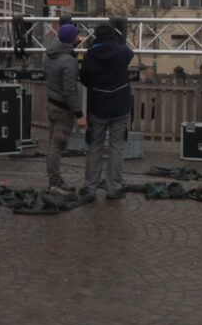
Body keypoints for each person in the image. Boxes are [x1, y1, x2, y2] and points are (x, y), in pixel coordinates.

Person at [79, 23, 134, 200]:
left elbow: (84, 79)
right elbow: (129, 52)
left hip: (98, 107)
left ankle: (90, 187)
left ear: (96, 36)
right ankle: (114, 188)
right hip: (120, 107)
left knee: (94, 147)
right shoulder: (122, 52)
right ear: (113, 35)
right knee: (117, 148)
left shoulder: (91, 56)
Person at [43, 23, 85, 194]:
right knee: (57, 146)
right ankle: (54, 184)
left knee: (53, 144)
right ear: (71, 39)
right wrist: (79, 114)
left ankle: (56, 181)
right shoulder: (68, 60)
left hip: (52, 104)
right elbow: (69, 90)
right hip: (62, 109)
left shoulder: (50, 55)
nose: (79, 38)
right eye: (77, 36)